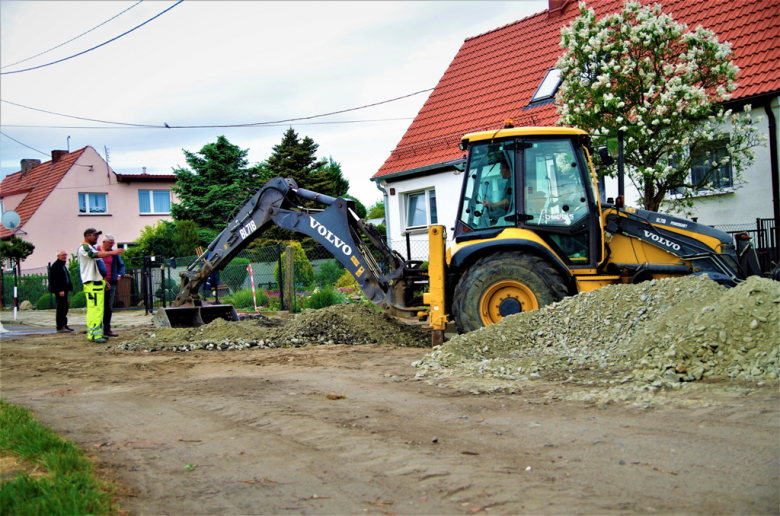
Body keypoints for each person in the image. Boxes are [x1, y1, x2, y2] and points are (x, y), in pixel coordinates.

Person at [78, 228, 124, 343]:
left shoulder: (90, 247)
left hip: (97, 282)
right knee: (96, 310)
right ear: (87, 236)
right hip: (92, 283)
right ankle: (95, 335)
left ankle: (95, 333)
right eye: (94, 235)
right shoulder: (85, 247)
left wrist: (104, 281)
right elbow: (94, 255)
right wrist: (112, 253)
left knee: (97, 309)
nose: (96, 237)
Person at [101, 234, 125, 337]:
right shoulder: (97, 252)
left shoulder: (114, 254)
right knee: (99, 307)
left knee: (109, 307)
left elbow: (121, 265)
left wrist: (119, 274)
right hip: (100, 282)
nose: (112, 246)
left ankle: (107, 329)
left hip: (111, 282)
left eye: (113, 244)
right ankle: (97, 329)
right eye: (110, 243)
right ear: (104, 242)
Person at [50, 249, 74, 333]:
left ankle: (64, 324)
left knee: (65, 308)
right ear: (58, 256)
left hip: (65, 290)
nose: (65, 257)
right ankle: (60, 326)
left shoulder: (62, 265)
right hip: (60, 291)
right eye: (63, 255)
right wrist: (60, 290)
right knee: (61, 308)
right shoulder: (56, 266)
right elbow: (56, 280)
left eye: (65, 255)